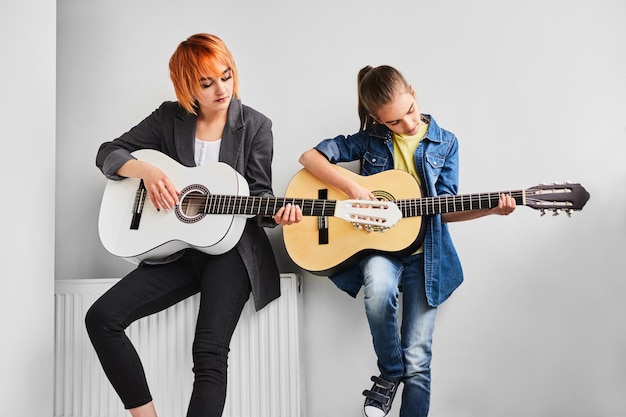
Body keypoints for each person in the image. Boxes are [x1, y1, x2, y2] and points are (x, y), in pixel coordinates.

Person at [85, 33, 302, 417]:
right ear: (188, 86)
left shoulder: (256, 125)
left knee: (209, 350)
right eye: (207, 83)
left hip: (232, 251)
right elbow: (108, 152)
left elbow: (261, 196)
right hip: (178, 250)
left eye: (227, 75)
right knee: (102, 318)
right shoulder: (169, 117)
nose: (222, 89)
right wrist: (144, 170)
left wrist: (278, 214)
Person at [299, 65, 516, 417]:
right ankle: (389, 373)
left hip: (424, 255)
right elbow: (310, 158)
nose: (409, 125)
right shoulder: (369, 139)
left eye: (410, 111)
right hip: (379, 248)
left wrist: (490, 211)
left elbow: (445, 208)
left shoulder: (445, 143)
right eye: (395, 122)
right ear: (377, 120)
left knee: (418, 357)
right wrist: (354, 188)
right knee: (379, 288)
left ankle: (401, 376)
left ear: (414, 94)